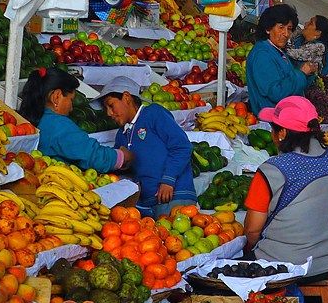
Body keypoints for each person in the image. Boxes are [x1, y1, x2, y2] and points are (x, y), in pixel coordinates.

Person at [243, 96, 328, 278]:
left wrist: (247, 252)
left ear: (282, 133)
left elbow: (252, 231)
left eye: (273, 127)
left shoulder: (272, 170)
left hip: (289, 265)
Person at [100, 76, 196, 218]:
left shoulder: (153, 113)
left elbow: (182, 147)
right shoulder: (122, 134)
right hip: (147, 204)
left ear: (126, 97)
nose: (108, 113)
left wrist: (168, 180)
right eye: (106, 109)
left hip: (174, 195)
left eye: (111, 105)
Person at [18, 67, 131, 173]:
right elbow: (92, 155)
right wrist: (122, 156)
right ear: (56, 97)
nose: (72, 108)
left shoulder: (30, 118)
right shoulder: (58, 125)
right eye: (71, 100)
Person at [245, 4, 319, 113]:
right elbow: (276, 93)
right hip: (273, 120)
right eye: (281, 27)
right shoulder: (262, 55)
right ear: (268, 28)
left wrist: (307, 74)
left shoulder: (276, 50)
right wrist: (302, 73)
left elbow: (291, 85)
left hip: (284, 116)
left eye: (289, 29)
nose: (286, 33)